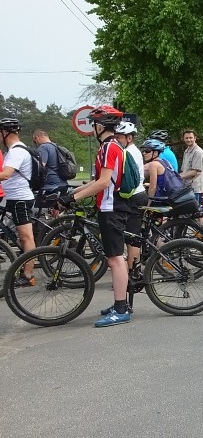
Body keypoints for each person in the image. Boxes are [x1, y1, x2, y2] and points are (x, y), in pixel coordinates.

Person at [58, 105, 133, 327]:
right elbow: (98, 181)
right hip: (109, 206)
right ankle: (120, 303)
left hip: (112, 208)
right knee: (113, 257)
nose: (93, 128)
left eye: (94, 124)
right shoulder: (109, 147)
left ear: (101, 125)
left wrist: (74, 200)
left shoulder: (110, 148)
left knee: (115, 258)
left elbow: (103, 183)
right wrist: (73, 193)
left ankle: (121, 309)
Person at [0, 117, 37, 286]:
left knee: (26, 237)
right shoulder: (14, 150)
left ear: (5, 132)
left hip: (20, 199)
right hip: (15, 198)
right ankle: (24, 267)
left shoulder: (16, 151)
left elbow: (6, 174)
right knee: (20, 236)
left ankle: (28, 274)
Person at [114, 121, 147, 273]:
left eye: (120, 137)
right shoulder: (131, 150)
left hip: (134, 196)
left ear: (129, 138)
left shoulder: (129, 152)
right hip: (135, 195)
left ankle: (133, 273)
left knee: (133, 237)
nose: (117, 140)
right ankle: (132, 271)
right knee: (130, 236)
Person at [32, 129, 69, 195]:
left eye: (35, 141)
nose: (36, 144)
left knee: (42, 205)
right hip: (63, 183)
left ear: (37, 137)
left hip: (50, 186)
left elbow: (40, 167)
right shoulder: (56, 146)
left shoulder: (43, 147)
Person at [180, 129, 203, 201]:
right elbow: (184, 170)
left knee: (195, 211)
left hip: (195, 189)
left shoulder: (198, 152)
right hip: (187, 187)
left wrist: (179, 176)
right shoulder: (186, 151)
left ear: (195, 138)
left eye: (190, 137)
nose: (188, 140)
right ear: (183, 139)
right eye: (186, 138)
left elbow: (195, 172)